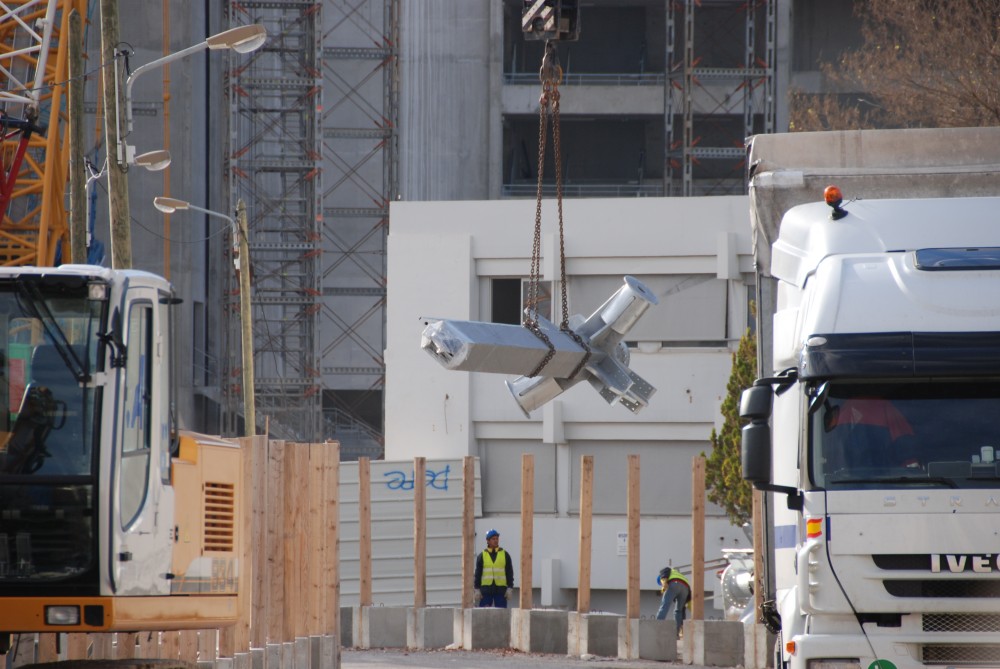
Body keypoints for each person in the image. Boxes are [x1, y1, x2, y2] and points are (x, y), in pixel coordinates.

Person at [473, 528, 514, 608]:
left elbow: (509, 572)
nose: (496, 541)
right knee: (484, 614)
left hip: (500, 591)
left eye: (497, 538)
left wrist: (510, 587)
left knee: (502, 614)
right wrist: (477, 589)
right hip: (486, 591)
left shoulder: (505, 555)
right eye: (493, 539)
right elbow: (478, 573)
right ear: (488, 541)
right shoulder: (482, 556)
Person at [655, 566, 691, 636]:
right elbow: (683, 609)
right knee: (678, 610)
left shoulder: (664, 571)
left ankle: (657, 627)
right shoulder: (677, 574)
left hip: (674, 583)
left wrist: (663, 588)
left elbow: (664, 581)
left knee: (664, 606)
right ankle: (676, 633)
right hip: (685, 588)